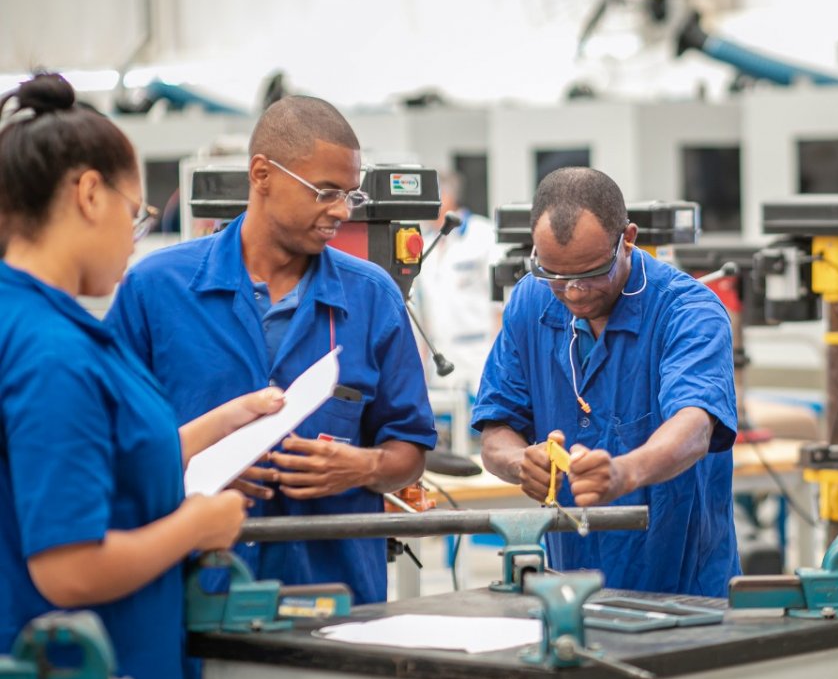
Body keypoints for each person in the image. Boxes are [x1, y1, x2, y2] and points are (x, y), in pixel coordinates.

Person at [0, 72, 285, 679]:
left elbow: (94, 460)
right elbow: (68, 567)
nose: (135, 236)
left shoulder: (38, 321)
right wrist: (195, 525)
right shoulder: (52, 351)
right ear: (90, 194)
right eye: (136, 213)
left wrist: (222, 422)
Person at [106, 95, 438, 606]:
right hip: (191, 600)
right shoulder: (155, 291)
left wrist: (362, 468)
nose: (341, 212)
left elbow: (410, 450)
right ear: (262, 174)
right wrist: (197, 469)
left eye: (351, 195)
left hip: (335, 600)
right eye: (325, 192)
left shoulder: (371, 298)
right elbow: (109, 448)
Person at [472, 167, 740, 596]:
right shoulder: (530, 300)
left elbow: (695, 426)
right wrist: (521, 463)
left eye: (593, 272)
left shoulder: (688, 311)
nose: (575, 292)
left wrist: (624, 473)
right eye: (556, 275)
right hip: (571, 587)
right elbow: (496, 430)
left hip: (684, 592)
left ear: (627, 238)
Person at [412, 169, 502, 394]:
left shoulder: (483, 235)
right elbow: (423, 313)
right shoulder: (424, 243)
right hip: (440, 360)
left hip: (478, 357)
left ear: (447, 197)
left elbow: (500, 306)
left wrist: (499, 363)